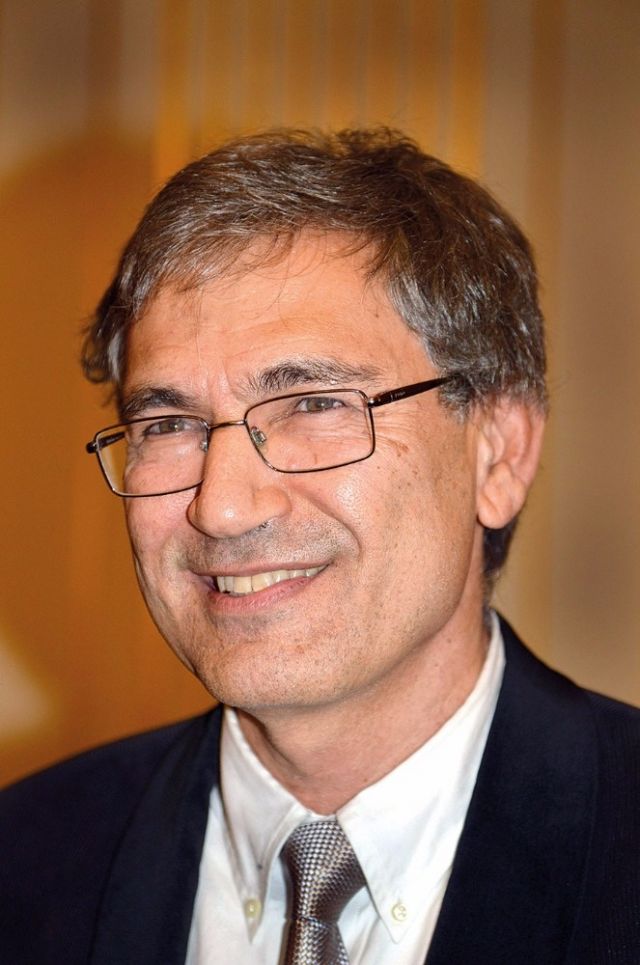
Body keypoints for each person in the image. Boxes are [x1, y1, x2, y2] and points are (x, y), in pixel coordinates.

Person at [1, 128, 639, 965]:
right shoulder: (25, 864)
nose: (223, 507)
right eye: (170, 424)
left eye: (314, 404)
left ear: (500, 453)